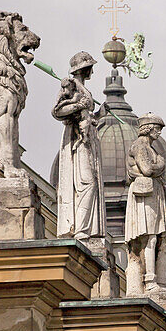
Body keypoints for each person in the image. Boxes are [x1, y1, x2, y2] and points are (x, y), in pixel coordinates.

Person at [52, 51, 104, 238]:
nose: (92, 71)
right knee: (86, 182)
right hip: (76, 139)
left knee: (91, 183)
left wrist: (99, 115)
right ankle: (80, 229)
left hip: (88, 137)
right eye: (91, 67)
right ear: (85, 68)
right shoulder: (71, 85)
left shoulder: (83, 88)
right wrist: (79, 106)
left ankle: (86, 229)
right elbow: (57, 111)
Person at [125, 113, 166, 292]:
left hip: (154, 193)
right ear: (149, 128)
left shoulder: (151, 149)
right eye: (157, 129)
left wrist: (157, 165)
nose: (159, 133)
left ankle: (156, 280)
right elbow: (147, 169)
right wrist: (161, 164)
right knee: (150, 236)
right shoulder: (140, 146)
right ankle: (150, 281)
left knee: (158, 237)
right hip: (145, 195)